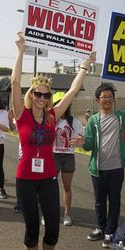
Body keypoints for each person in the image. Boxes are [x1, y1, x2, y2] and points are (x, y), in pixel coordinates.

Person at [11, 31, 96, 250]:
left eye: (45, 95)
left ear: (49, 98)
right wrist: (21, 52)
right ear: (31, 95)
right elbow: (14, 81)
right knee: (31, 230)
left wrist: (85, 66)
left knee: (52, 229)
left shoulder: (52, 117)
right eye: (37, 94)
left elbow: (73, 90)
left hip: (48, 178)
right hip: (25, 180)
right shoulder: (22, 115)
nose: (41, 98)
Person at [72, 83, 125, 248]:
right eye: (104, 97)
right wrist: (83, 143)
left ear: (113, 99)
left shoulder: (120, 117)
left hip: (116, 168)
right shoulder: (93, 121)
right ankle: (101, 227)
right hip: (98, 169)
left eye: (110, 97)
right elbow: (89, 144)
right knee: (99, 201)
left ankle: (110, 232)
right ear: (98, 100)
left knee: (115, 201)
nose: (107, 99)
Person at [52, 92, 84, 226]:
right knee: (50, 187)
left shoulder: (74, 121)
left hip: (68, 157)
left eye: (64, 103)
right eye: (58, 103)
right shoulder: (50, 119)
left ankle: (67, 214)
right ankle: (50, 214)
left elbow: (82, 139)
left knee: (67, 186)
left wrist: (81, 142)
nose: (61, 106)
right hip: (53, 156)